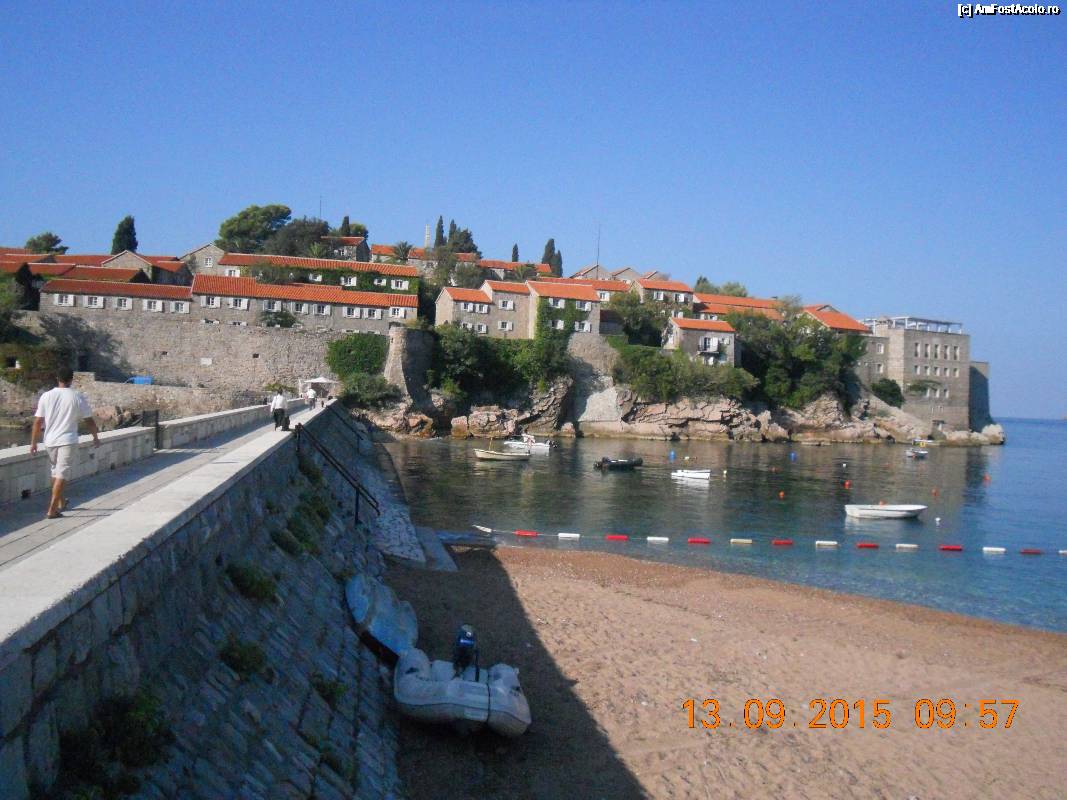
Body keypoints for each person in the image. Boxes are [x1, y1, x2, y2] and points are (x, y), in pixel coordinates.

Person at [29, 366, 99, 519]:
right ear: (71, 380)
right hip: (68, 440)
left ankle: (60, 502)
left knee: (55, 471)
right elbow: (89, 420)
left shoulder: (46, 396)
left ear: (57, 379)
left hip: (50, 440)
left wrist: (33, 442)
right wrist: (95, 437)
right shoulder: (77, 396)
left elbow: (38, 422)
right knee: (61, 473)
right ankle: (52, 510)